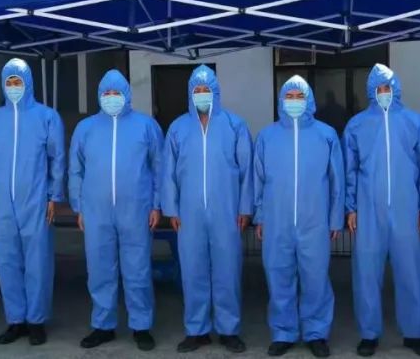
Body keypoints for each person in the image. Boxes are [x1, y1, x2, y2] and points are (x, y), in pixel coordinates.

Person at [344, 64, 420, 357]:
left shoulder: (415, 122)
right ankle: (369, 334)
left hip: (407, 208)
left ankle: (414, 334)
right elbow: (350, 170)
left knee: (411, 272)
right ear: (371, 92)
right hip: (368, 209)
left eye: (387, 88)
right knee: (366, 273)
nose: (383, 93)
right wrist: (351, 207)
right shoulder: (356, 125)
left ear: (396, 89)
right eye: (378, 89)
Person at [161, 65, 254, 354]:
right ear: (190, 93)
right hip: (189, 214)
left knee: (227, 270)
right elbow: (168, 173)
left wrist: (245, 208)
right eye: (197, 90)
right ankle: (196, 330)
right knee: (193, 271)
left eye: (206, 89)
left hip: (227, 210)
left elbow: (247, 171)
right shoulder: (178, 128)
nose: (201, 94)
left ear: (216, 91)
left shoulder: (235, 125)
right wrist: (171, 209)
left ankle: (229, 330)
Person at [70, 69, 164, 351]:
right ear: (100, 95)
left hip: (136, 210)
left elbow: (159, 168)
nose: (112, 98)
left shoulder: (146, 126)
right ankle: (103, 325)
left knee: (137, 269)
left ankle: (141, 326)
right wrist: (79, 206)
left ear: (127, 94)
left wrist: (157, 204)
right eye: (107, 93)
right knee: (99, 269)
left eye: (117, 93)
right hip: (96, 211)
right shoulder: (85, 128)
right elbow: (75, 170)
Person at [253, 76, 345, 358]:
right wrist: (260, 216)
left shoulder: (326, 135)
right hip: (277, 220)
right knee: (278, 276)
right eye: (289, 96)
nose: (294, 101)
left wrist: (335, 218)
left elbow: (337, 181)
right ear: (281, 100)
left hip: (314, 221)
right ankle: (283, 332)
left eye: (299, 96)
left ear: (309, 100)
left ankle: (316, 333)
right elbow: (258, 180)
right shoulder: (267, 136)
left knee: (316, 278)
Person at [0, 58, 67, 347]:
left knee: (37, 261)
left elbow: (57, 160)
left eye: (18, 81)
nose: (14, 87)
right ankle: (16, 320)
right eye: (9, 82)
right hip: (2, 201)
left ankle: (37, 320)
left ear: (28, 83)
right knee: (7, 260)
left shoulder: (46, 117)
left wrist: (54, 195)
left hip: (36, 199)